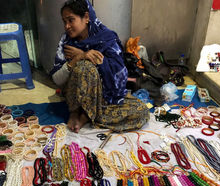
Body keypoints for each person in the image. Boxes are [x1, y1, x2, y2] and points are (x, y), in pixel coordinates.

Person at [51, 0, 149, 133]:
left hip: (103, 97)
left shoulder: (106, 37)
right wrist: (78, 58)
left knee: (141, 111)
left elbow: (118, 71)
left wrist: (84, 54)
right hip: (74, 100)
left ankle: (88, 116)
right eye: (64, 21)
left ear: (86, 17)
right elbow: (57, 80)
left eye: (71, 20)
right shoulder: (67, 42)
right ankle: (76, 113)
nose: (67, 26)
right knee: (84, 67)